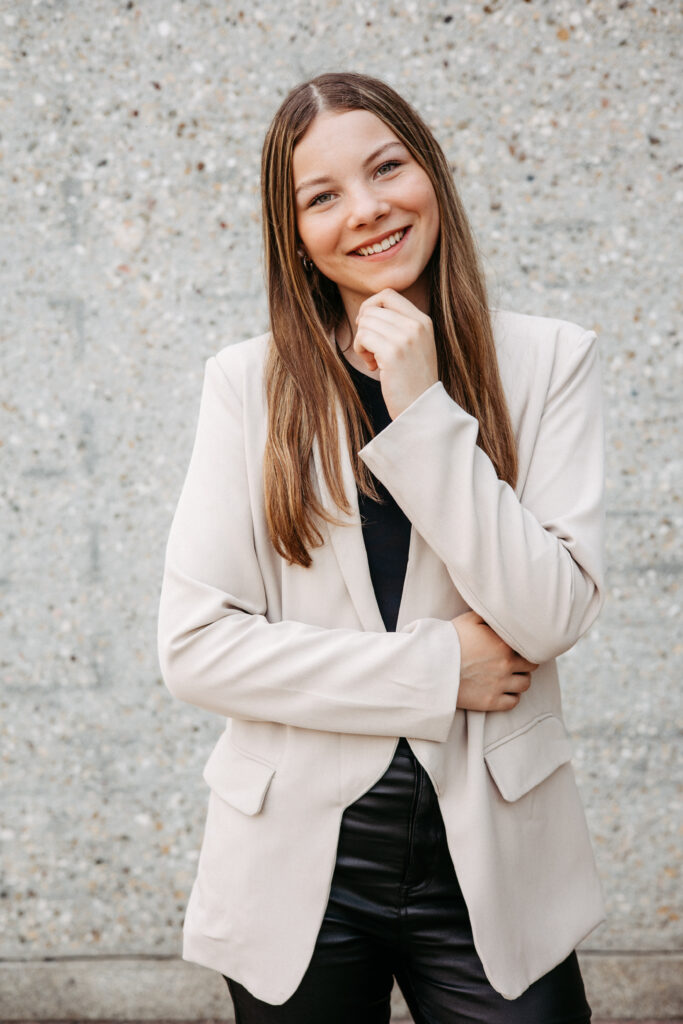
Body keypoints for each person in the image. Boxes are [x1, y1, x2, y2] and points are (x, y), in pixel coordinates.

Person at [157, 71, 606, 1023]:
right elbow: (196, 647)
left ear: (429, 171)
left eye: (385, 168)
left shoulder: (548, 361)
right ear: (295, 235)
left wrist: (422, 410)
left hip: (492, 850)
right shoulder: (247, 385)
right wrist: (441, 667)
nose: (365, 211)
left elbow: (550, 614)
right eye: (321, 197)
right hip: (298, 862)